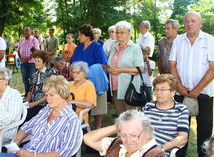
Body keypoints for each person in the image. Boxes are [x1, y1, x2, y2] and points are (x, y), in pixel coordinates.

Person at [0, 75, 82, 157]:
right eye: (46, 95)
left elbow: (63, 152)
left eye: (51, 95)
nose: (48, 99)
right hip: (26, 152)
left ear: (63, 95)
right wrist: (16, 143)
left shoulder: (71, 120)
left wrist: (33, 155)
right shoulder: (46, 110)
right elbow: (27, 127)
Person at [169, 11, 214, 157]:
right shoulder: (178, 40)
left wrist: (197, 89)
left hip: (205, 93)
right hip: (181, 92)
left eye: (193, 21)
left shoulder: (209, 40)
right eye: (187, 21)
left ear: (200, 23)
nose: (190, 24)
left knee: (205, 130)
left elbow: (213, 68)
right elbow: (172, 65)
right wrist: (179, 87)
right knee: (180, 129)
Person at [84, 109, 167, 157]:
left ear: (147, 133)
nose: (128, 141)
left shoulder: (156, 155)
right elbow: (88, 139)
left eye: (134, 135)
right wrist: (119, 126)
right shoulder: (117, 144)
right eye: (124, 135)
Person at [143, 74, 189, 156]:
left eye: (163, 90)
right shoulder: (149, 106)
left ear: (173, 93)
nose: (158, 93)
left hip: (162, 151)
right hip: (142, 146)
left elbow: (183, 138)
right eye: (156, 89)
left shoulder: (181, 110)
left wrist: (161, 148)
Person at [106, 21, 144, 115]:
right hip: (115, 87)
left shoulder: (135, 48)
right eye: (117, 32)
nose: (119, 35)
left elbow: (140, 69)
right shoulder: (113, 47)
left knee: (131, 117)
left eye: (122, 32)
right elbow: (109, 64)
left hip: (129, 88)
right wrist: (109, 69)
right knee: (121, 116)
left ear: (129, 34)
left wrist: (120, 70)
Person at [24, 50, 56, 122]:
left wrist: (34, 104)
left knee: (28, 116)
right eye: (35, 60)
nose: (36, 63)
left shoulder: (51, 73)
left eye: (38, 61)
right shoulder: (34, 75)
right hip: (33, 103)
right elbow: (30, 91)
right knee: (21, 113)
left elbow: (51, 93)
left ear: (44, 62)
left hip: (46, 104)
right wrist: (26, 103)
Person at [18, 27, 39, 96]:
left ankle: (33, 94)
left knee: (33, 78)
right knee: (25, 78)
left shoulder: (34, 40)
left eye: (27, 31)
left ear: (31, 32)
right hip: (23, 63)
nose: (26, 32)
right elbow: (18, 50)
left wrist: (27, 59)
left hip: (32, 63)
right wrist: (21, 58)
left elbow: (36, 51)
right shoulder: (21, 40)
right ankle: (27, 93)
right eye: (25, 31)